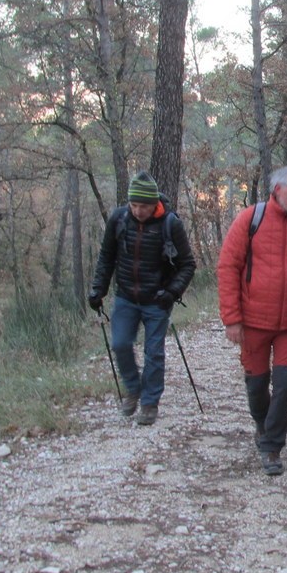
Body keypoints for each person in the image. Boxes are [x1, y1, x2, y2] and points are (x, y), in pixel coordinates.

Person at [217, 165, 287, 477]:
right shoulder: (249, 219)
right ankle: (260, 423)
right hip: (252, 322)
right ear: (277, 189)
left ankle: (272, 446)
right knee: (256, 384)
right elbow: (228, 268)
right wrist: (232, 318)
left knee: (284, 384)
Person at [88, 170, 197, 426]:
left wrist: (172, 292)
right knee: (120, 344)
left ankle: (149, 403)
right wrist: (98, 290)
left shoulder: (171, 224)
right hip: (125, 297)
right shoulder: (118, 219)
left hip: (157, 300)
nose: (138, 211)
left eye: (144, 206)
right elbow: (106, 257)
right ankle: (133, 388)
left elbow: (188, 264)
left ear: (154, 204)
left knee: (154, 353)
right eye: (134, 205)